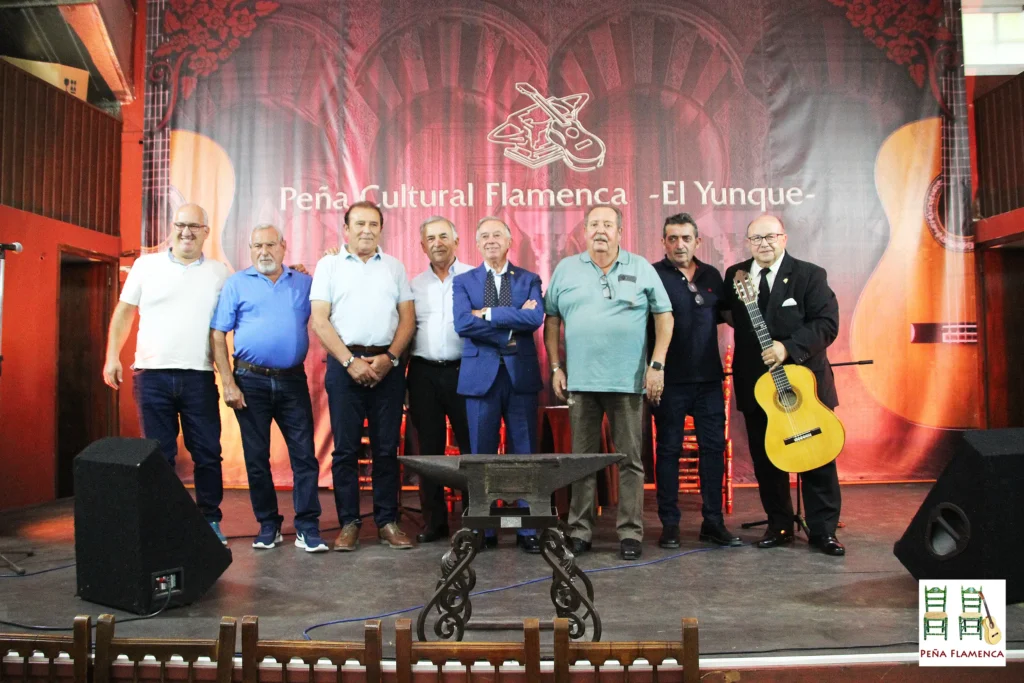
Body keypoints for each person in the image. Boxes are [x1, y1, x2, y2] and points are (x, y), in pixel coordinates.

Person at [544, 204, 674, 560]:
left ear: (620, 231)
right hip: (581, 383)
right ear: (584, 231)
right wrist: (556, 366)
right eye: (594, 224)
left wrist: (657, 364)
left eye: (608, 224)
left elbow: (665, 316)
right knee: (581, 460)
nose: (600, 230)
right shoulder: (566, 269)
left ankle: (630, 532)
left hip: (629, 381)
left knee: (630, 460)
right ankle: (580, 531)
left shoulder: (641, 268)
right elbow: (551, 319)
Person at [102, 203, 230, 545]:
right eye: (180, 225)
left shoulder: (220, 273)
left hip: (199, 375)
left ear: (206, 231)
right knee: (159, 456)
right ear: (172, 228)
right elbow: (124, 313)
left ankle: (210, 521)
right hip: (151, 375)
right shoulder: (146, 265)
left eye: (194, 226)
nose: (186, 232)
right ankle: (164, 521)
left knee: (207, 452)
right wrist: (112, 355)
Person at [721, 214, 844, 556]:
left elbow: (826, 323)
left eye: (770, 237)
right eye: (756, 239)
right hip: (759, 388)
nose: (764, 244)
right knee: (767, 459)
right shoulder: (737, 276)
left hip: (806, 387)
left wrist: (787, 346)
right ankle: (779, 524)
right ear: (747, 243)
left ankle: (823, 531)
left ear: (784, 238)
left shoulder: (809, 275)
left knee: (818, 458)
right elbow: (721, 312)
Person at [210, 224, 328, 553]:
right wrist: (228, 382)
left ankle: (307, 526)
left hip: (292, 380)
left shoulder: (305, 283)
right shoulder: (236, 284)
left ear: (283, 247)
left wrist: (327, 260)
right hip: (250, 381)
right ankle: (268, 524)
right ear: (250, 249)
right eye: (257, 245)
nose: (264, 251)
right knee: (256, 459)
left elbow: (327, 310)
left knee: (304, 456)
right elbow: (218, 334)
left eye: (270, 245)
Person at [310, 200, 416, 551]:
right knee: (345, 450)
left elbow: (408, 320)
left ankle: (387, 521)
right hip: (344, 367)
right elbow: (320, 320)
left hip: (387, 367)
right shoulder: (328, 266)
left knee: (387, 449)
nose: (366, 230)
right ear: (346, 229)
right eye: (359, 224)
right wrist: (349, 361)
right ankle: (349, 523)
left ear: (381, 229)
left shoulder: (395, 268)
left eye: (373, 224)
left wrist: (390, 357)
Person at [453, 217, 545, 553]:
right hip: (481, 379)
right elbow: (463, 322)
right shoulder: (464, 281)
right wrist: (511, 321)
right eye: (485, 235)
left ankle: (526, 530)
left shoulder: (529, 279)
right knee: (481, 455)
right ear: (477, 244)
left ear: (509, 242)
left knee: (525, 455)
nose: (491, 240)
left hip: (520, 377)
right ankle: (484, 529)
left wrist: (488, 314)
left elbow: (535, 319)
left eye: (497, 235)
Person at [650, 214, 741, 549]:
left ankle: (713, 523)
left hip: (708, 381)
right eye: (672, 238)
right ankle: (670, 525)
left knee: (713, 450)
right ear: (663, 242)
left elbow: (731, 316)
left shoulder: (712, 276)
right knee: (669, 451)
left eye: (686, 238)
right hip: (669, 381)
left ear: (697, 241)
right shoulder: (653, 275)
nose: (679, 244)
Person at [407, 216, 474, 544]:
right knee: (428, 450)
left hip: (466, 371)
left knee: (471, 449)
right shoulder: (413, 285)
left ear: (456, 241)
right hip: (423, 374)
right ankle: (434, 522)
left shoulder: (475, 277)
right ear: (422, 246)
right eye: (430, 238)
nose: (437, 243)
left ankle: (474, 519)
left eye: (443, 236)